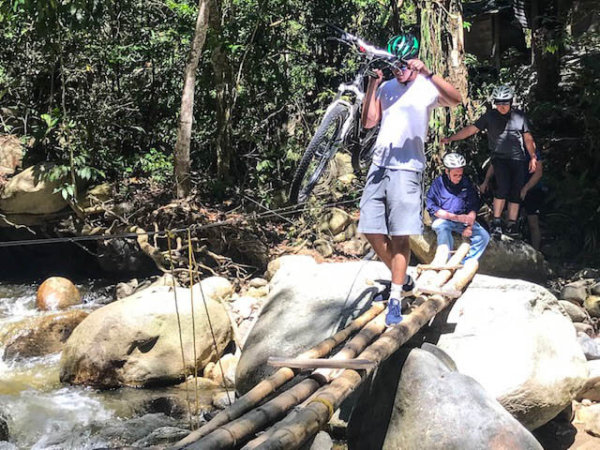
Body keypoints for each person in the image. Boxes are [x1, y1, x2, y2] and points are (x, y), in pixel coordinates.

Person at [358, 32, 461, 326]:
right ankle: (402, 279)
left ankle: (395, 297)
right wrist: (372, 84)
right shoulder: (386, 86)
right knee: (371, 229)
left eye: (402, 64)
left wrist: (429, 72)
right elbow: (369, 121)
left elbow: (456, 99)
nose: (398, 69)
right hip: (379, 164)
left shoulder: (425, 88)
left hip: (408, 167)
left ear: (413, 63)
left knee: (400, 234)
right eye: (394, 64)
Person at [441, 85, 537, 238]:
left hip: (518, 159)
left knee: (516, 192)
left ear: (511, 102)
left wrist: (533, 157)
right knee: (502, 188)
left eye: (505, 103)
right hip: (499, 158)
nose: (502, 106)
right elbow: (471, 129)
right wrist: (451, 138)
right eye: (498, 103)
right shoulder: (490, 116)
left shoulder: (519, 116)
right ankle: (497, 222)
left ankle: (512, 224)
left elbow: (528, 138)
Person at [426, 153, 490, 262]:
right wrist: (455, 217)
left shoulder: (466, 183)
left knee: (484, 236)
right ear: (447, 171)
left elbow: (473, 206)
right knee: (441, 227)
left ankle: (466, 263)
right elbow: (432, 207)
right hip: (444, 219)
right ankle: (445, 260)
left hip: (462, 220)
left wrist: (469, 225)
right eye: (455, 175)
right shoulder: (438, 184)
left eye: (460, 175)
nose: (458, 178)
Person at [480, 148, 544, 248]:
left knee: (533, 222)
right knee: (507, 216)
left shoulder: (531, 149)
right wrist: (486, 181)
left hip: (531, 188)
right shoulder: (508, 147)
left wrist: (525, 188)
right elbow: (495, 165)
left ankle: (537, 252)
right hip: (514, 187)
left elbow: (538, 172)